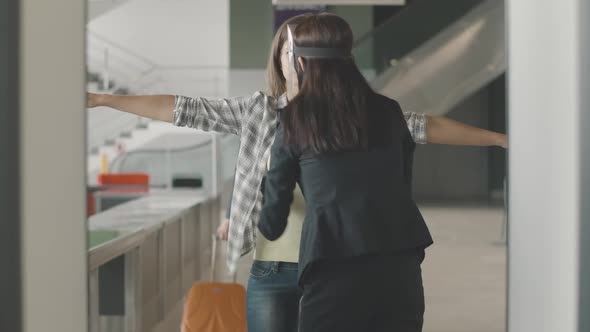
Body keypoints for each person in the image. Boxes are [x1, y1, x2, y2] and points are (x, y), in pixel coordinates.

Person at [87, 13, 508, 332]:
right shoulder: (259, 112)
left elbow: (426, 126)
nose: (296, 59)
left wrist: (500, 139)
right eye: (289, 52)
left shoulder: (362, 114)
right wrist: (105, 100)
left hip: (339, 263)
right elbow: (181, 108)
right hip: (276, 267)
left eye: (301, 52)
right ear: (281, 61)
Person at [256, 13, 481, 331]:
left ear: (301, 63)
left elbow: (272, 224)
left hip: (332, 267)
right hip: (400, 266)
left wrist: (268, 184)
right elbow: (402, 182)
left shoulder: (295, 119)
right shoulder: (389, 110)